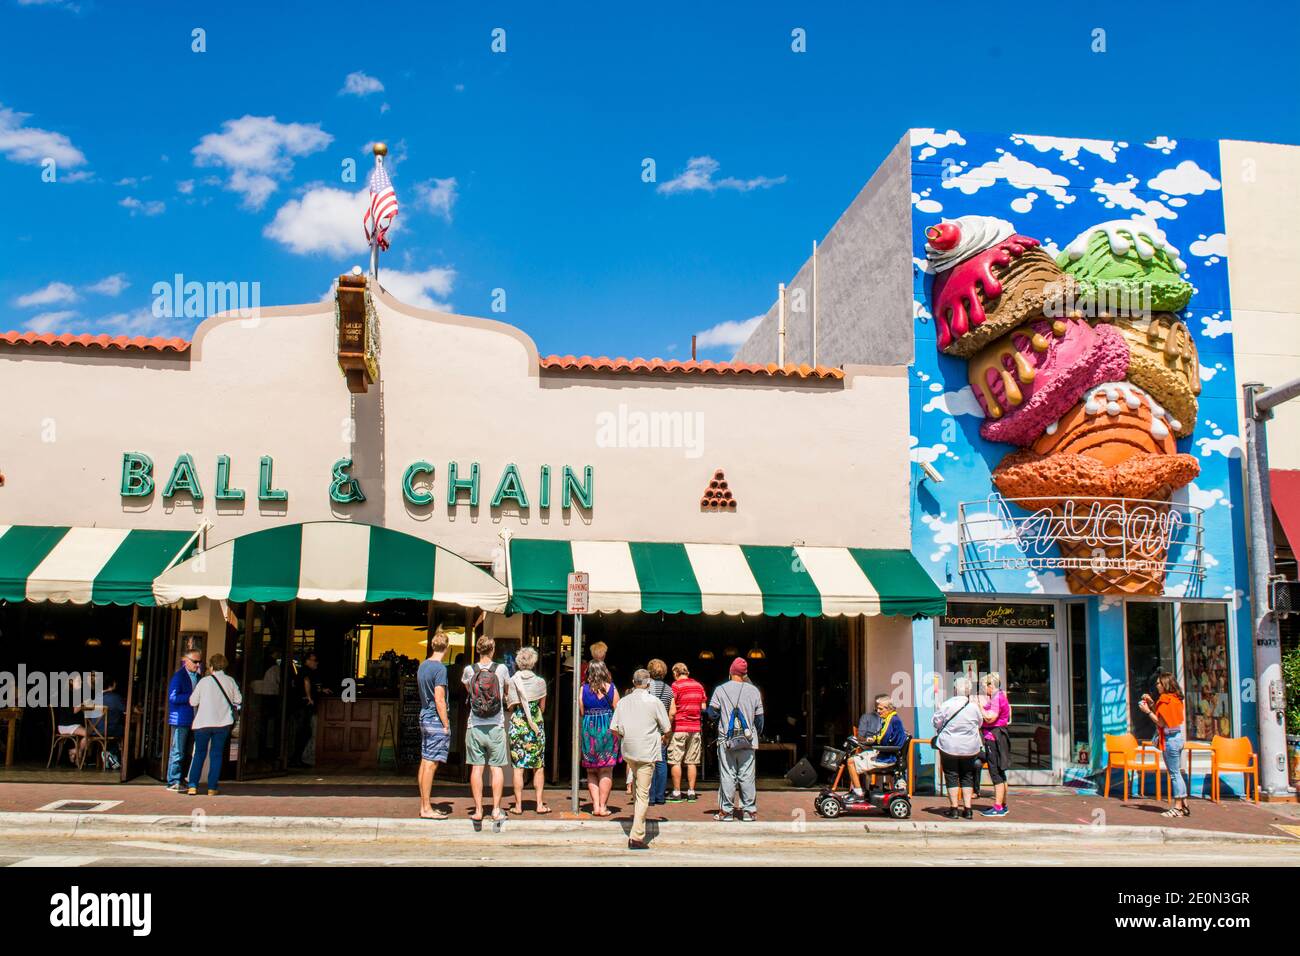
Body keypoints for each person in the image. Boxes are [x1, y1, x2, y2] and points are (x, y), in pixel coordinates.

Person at [610, 668, 671, 850]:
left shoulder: (624, 702)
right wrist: (663, 738)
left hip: (629, 750)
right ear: (648, 683)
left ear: (633, 681)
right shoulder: (654, 702)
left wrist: (625, 736)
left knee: (637, 789)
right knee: (643, 793)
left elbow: (614, 728)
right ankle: (636, 836)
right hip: (647, 751)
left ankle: (637, 821)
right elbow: (666, 727)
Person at [706, 658, 764, 822]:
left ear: (731, 672)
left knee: (727, 774)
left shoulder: (720, 690)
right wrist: (755, 733)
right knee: (747, 775)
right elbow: (760, 719)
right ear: (745, 674)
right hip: (748, 740)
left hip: (727, 740)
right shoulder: (754, 691)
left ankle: (726, 811)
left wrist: (721, 721)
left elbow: (712, 712)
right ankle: (749, 811)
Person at [461, 635, 511, 822]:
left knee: (477, 768)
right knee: (496, 768)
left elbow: (469, 691)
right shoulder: (501, 669)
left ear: (478, 649)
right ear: (493, 650)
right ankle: (496, 809)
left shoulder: (469, 670)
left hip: (475, 725)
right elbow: (506, 691)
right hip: (496, 724)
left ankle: (478, 809)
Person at [186, 653, 242, 796]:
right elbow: (239, 699)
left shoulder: (204, 682)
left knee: (199, 754)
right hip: (222, 723)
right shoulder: (230, 681)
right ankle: (212, 787)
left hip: (203, 723)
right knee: (216, 755)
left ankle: (192, 785)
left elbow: (192, 702)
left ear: (211, 667)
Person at [506, 646, 550, 815]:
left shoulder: (513, 680)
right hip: (535, 727)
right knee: (538, 766)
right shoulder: (540, 682)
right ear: (533, 662)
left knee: (519, 767)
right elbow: (543, 707)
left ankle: (518, 805)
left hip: (518, 726)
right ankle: (539, 804)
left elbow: (510, 706)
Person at [932, 676, 984, 819]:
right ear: (968, 691)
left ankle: (954, 808)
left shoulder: (947, 704)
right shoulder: (974, 707)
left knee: (951, 775)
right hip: (970, 747)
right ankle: (968, 809)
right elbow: (980, 724)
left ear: (955, 689)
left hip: (949, 746)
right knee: (967, 776)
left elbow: (936, 722)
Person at [1140, 672, 1189, 818]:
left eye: (1158, 683)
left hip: (1169, 740)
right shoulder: (1175, 699)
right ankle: (1184, 804)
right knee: (1177, 773)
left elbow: (1160, 722)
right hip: (1178, 737)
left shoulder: (1164, 699)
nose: (1157, 685)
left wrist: (1147, 711)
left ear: (1165, 684)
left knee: (1174, 774)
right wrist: (1152, 704)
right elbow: (1165, 715)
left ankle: (1178, 807)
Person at [416, 626, 452, 820]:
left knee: (425, 760)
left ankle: (424, 804)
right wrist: (445, 723)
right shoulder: (440, 669)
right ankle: (427, 807)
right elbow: (439, 698)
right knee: (431, 763)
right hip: (435, 718)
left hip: (424, 714)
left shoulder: (423, 665)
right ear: (446, 648)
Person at [845, 694, 907, 799]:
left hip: (887, 757)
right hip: (889, 754)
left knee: (850, 761)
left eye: (880, 708)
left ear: (889, 709)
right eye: (877, 708)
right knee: (858, 758)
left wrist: (873, 740)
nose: (878, 711)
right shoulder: (891, 719)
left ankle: (858, 792)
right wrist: (873, 739)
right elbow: (883, 737)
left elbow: (884, 738)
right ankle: (859, 790)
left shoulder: (892, 720)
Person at [579, 660, 620, 816]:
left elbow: (581, 711)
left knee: (591, 771)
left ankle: (595, 806)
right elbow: (618, 710)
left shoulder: (583, 689)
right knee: (606, 769)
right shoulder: (612, 688)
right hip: (607, 729)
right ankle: (603, 806)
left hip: (589, 730)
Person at [667, 662, 706, 802]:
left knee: (675, 760)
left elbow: (672, 708)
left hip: (679, 727)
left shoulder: (675, 686)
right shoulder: (699, 686)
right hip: (695, 728)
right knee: (692, 761)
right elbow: (703, 706)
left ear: (676, 673)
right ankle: (691, 792)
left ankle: (677, 792)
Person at [165, 650, 202, 790]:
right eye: (195, 662)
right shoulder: (179, 677)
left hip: (194, 719)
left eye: (199, 662)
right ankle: (173, 781)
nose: (197, 665)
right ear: (186, 661)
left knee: (188, 752)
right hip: (180, 720)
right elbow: (173, 697)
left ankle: (182, 779)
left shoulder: (199, 677)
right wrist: (191, 696)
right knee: (178, 751)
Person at [978, 673, 1012, 817]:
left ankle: (998, 807)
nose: (983, 690)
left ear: (991, 686)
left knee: (995, 772)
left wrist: (979, 707)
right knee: (1001, 771)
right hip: (998, 735)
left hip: (994, 737)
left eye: (984, 686)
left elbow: (990, 718)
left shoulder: (997, 698)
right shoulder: (999, 697)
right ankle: (1003, 804)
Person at [645, 659, 675, 806]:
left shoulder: (646, 688)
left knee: (648, 762)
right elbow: (672, 712)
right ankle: (660, 795)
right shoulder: (669, 689)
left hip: (648, 728)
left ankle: (650, 796)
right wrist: (666, 729)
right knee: (661, 761)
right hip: (662, 729)